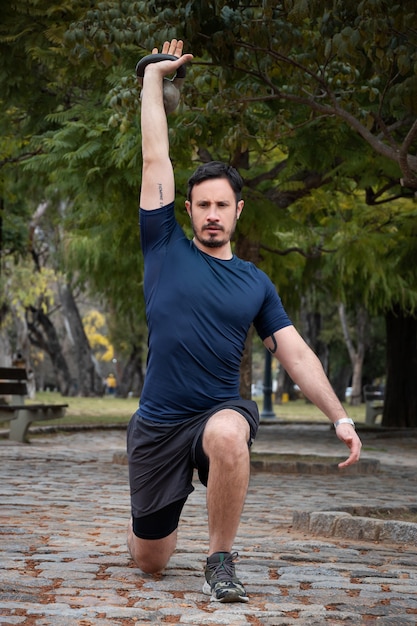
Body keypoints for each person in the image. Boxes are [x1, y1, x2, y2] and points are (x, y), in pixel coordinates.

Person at [127, 39, 362, 604]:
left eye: (221, 205)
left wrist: (340, 418)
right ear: (188, 210)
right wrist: (153, 80)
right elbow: (156, 156)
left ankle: (219, 559)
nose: (211, 214)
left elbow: (296, 352)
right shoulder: (163, 246)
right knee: (150, 562)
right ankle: (165, 517)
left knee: (230, 431)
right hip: (158, 423)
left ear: (237, 211)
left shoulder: (256, 282)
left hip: (215, 412)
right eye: (202, 205)